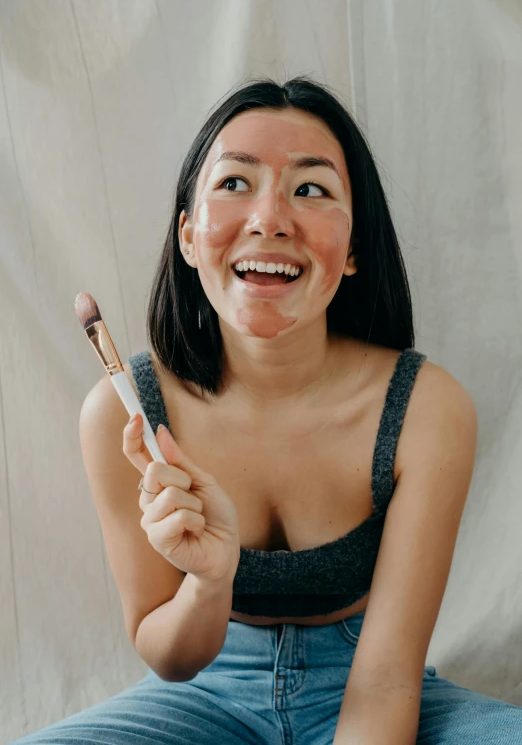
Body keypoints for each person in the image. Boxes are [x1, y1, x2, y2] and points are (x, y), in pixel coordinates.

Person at [14, 76, 522, 744]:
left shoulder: (427, 408)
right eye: (234, 183)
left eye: (311, 190)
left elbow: (389, 678)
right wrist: (208, 577)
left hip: (372, 684)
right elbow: (168, 654)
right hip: (199, 699)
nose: (270, 219)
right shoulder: (123, 413)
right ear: (190, 238)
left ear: (354, 251)